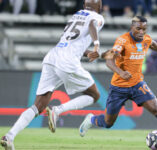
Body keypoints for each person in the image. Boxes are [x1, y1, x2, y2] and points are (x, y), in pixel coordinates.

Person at [79, 16, 157, 149]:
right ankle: (91, 119)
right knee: (108, 123)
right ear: (132, 27)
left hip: (137, 84)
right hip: (119, 87)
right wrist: (121, 72)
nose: (141, 32)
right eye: (138, 28)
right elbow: (109, 61)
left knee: (156, 108)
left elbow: (152, 43)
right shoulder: (122, 40)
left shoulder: (146, 39)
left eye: (144, 29)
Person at [1, 0, 104, 149]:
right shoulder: (98, 17)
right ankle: (57, 110)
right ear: (99, 6)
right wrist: (96, 46)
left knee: (38, 106)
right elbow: (92, 24)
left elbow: (74, 43)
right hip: (67, 61)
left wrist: (89, 53)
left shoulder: (75, 16)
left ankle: (9, 136)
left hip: (53, 57)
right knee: (94, 95)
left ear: (83, 6)